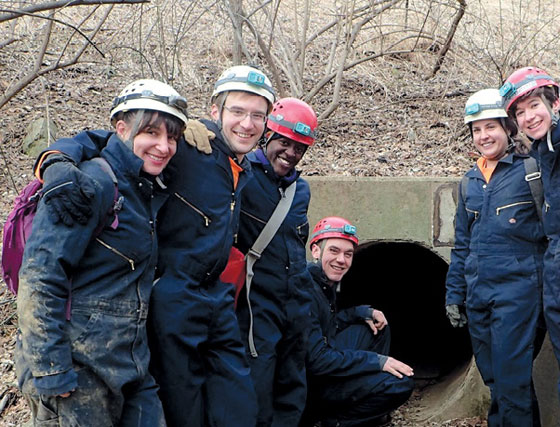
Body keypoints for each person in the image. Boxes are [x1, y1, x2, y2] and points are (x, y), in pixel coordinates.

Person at [34, 65, 276, 426]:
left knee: (239, 405)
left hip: (217, 296)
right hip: (171, 296)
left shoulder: (245, 167)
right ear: (215, 112)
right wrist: (56, 158)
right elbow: (117, 140)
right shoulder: (188, 148)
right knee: (183, 407)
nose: (247, 123)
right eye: (238, 111)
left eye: (258, 115)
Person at [15, 79, 187, 426]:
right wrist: (51, 371)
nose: (163, 146)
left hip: (130, 366)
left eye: (171, 137)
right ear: (121, 129)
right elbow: (39, 275)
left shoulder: (145, 189)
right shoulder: (88, 184)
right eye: (151, 133)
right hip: (77, 370)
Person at [500, 65, 560, 427]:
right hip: (558, 278)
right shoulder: (542, 150)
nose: (528, 117)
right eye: (519, 112)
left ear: (554, 102)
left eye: (533, 106)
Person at [445, 88, 547, 426]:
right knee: (494, 377)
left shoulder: (531, 171)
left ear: (508, 128)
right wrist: (454, 294)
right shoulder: (470, 181)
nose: (483, 136)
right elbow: (462, 244)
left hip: (519, 293)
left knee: (511, 379)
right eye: (476, 129)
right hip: (478, 293)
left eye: (491, 127)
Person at [234, 97, 318, 426]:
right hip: (257, 306)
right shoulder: (243, 176)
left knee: (292, 387)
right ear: (267, 136)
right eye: (284, 143)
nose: (291, 154)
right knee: (257, 388)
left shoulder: (301, 190)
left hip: (296, 304)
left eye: (299, 148)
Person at [302, 217, 415, 427]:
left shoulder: (324, 283)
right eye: (333, 251)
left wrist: (361, 312)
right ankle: (335, 421)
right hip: (309, 384)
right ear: (316, 251)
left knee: (375, 328)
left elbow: (330, 324)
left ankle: (365, 404)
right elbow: (318, 361)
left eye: (348, 254)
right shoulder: (306, 290)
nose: (341, 260)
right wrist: (378, 362)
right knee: (399, 384)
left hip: (321, 367)